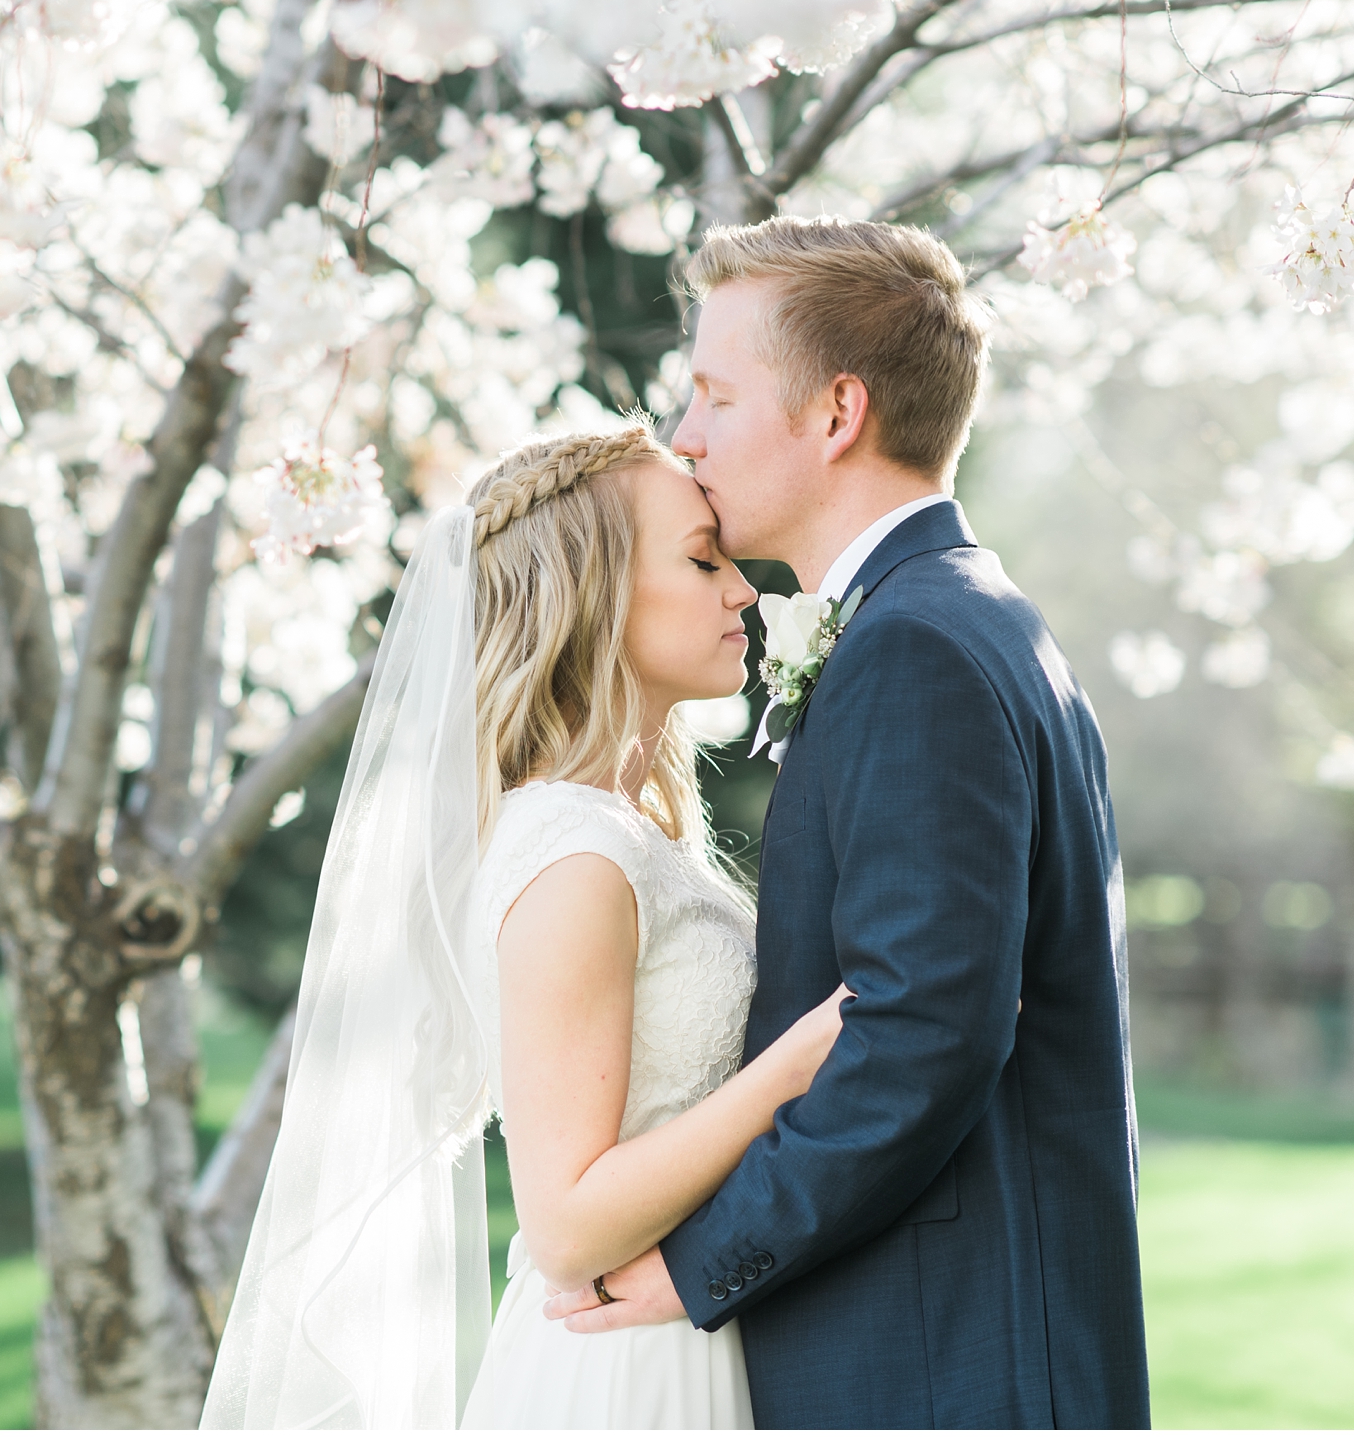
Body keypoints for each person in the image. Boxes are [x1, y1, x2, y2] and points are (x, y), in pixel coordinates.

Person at [544, 217, 1150, 1429]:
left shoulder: (913, 647)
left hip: (941, 1359)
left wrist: (701, 1262)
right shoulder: (952, 617)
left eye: (715, 393)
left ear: (835, 413)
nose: (687, 434)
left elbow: (920, 1030)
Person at [203, 420, 846, 1429]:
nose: (743, 589)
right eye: (699, 558)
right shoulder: (573, 856)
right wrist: (805, 1058)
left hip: (685, 1339)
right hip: (624, 1378)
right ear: (589, 596)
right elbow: (567, 1221)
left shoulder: (620, 834)